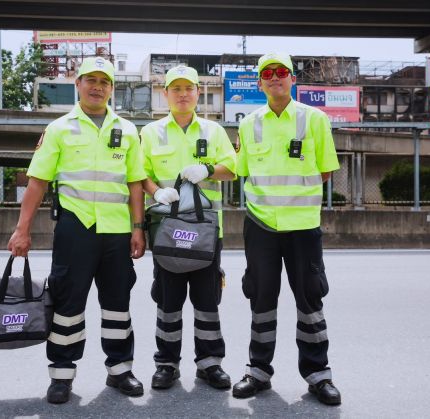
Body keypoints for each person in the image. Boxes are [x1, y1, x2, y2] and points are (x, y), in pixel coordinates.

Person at [7, 57, 147, 404]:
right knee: (67, 302)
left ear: (112, 88)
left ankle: (120, 370)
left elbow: (135, 184)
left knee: (118, 303)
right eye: (91, 80)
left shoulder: (128, 130)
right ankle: (61, 375)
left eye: (104, 81)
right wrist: (22, 230)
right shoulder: (59, 129)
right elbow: (37, 182)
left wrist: (138, 228)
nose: (97, 87)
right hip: (75, 227)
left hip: (117, 230)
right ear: (78, 84)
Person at [231, 53, 342, 405]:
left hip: (303, 226)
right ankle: (258, 371)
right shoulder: (249, 124)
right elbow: (242, 170)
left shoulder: (315, 119)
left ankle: (318, 374)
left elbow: (325, 170)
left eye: (282, 72)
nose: (275, 77)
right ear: (260, 83)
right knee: (261, 298)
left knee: (310, 299)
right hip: (260, 225)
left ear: (292, 79)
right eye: (268, 73)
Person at [140, 65, 237, 390]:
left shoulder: (214, 130)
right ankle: (166, 364)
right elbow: (139, 174)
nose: (182, 94)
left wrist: (208, 169)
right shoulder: (151, 133)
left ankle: (210, 364)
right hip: (166, 230)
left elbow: (233, 168)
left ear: (198, 92)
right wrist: (156, 191)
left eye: (188, 88)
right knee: (168, 302)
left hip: (206, 231)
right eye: (176, 89)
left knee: (207, 301)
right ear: (165, 94)